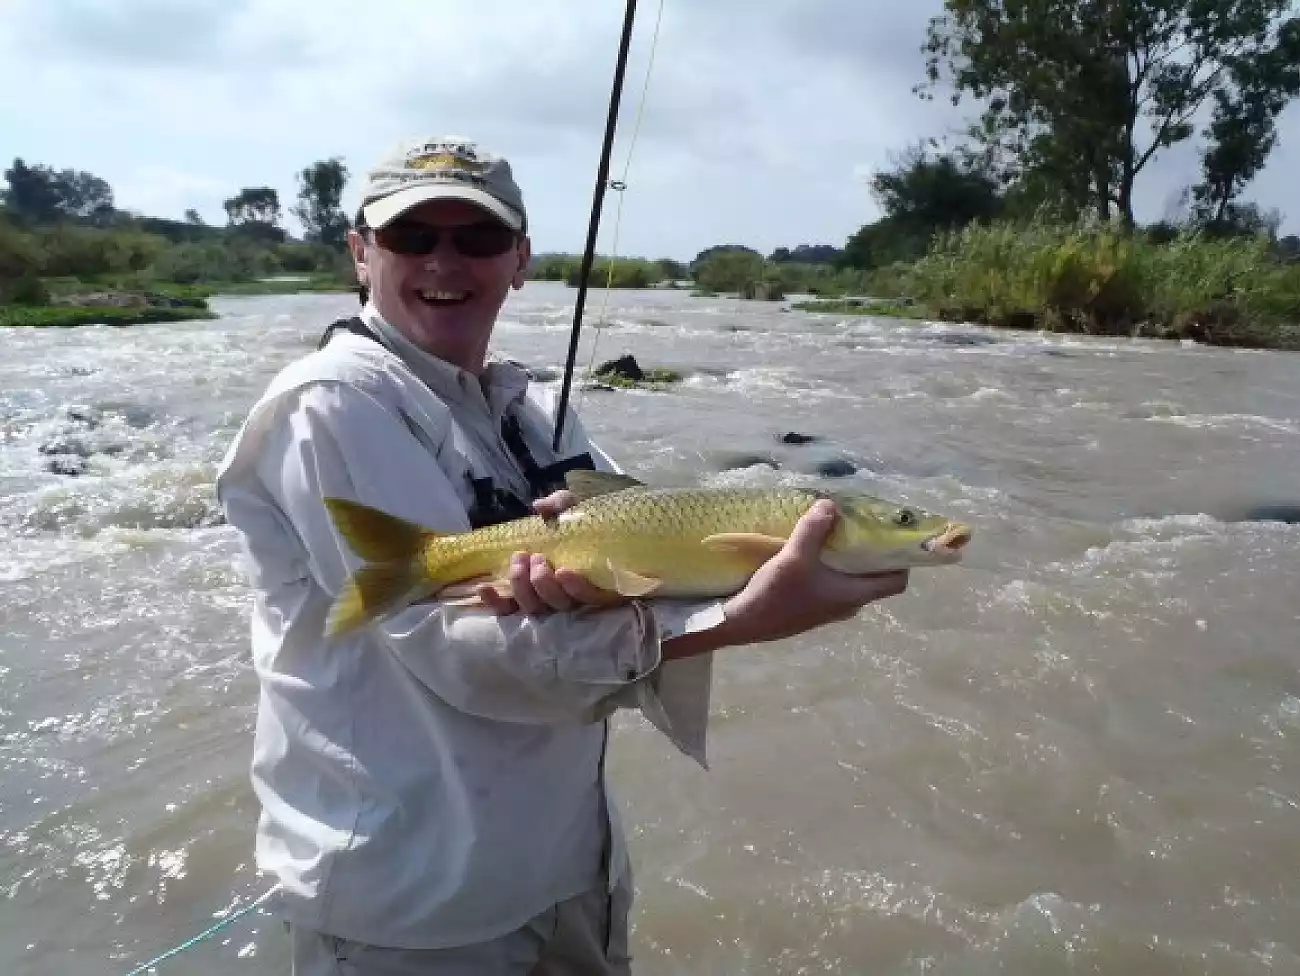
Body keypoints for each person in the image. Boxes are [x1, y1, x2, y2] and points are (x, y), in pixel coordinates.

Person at [214, 134, 909, 975]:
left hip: (565, 864)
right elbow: (454, 653)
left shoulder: (534, 407)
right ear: (362, 254)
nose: (445, 261)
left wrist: (735, 582)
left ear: (520, 261)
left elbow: (655, 542)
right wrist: (739, 622)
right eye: (411, 237)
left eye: (476, 239)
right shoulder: (327, 408)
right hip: (415, 902)